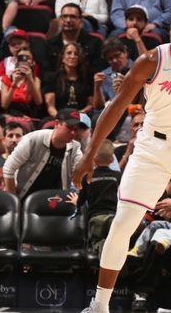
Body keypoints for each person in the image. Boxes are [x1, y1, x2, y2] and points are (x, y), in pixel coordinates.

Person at [73, 37, 171, 313]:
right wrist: (90, 154)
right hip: (153, 146)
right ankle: (100, 305)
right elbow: (116, 106)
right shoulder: (153, 60)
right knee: (123, 224)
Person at [3, 109, 83, 198]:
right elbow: (8, 168)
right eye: (69, 127)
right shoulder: (32, 139)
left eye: (76, 129)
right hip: (24, 196)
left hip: (55, 201)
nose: (73, 133)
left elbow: (80, 177)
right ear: (56, 124)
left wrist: (76, 196)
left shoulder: (75, 148)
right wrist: (14, 201)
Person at [0, 47, 43, 116]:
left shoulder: (35, 80)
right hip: (10, 113)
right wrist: (14, 84)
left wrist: (30, 79)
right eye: (21, 58)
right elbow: (4, 105)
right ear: (16, 61)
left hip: (28, 114)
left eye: (27, 58)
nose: (24, 60)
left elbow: (38, 102)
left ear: (32, 62)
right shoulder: (6, 78)